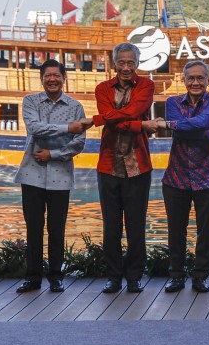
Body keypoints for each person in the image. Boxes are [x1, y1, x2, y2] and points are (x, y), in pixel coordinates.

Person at [14, 59, 87, 294]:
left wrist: (53, 153)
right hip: (31, 174)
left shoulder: (76, 106)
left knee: (57, 228)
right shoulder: (30, 101)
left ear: (64, 78)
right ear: (42, 79)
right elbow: (35, 129)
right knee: (33, 228)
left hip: (61, 176)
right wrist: (68, 128)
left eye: (56, 75)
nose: (52, 79)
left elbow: (79, 142)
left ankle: (56, 276)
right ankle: (32, 277)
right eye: (47, 76)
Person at [88, 43, 156, 294]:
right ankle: (114, 276)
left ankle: (135, 276)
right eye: (122, 62)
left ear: (137, 64)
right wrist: (140, 126)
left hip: (139, 164)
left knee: (137, 224)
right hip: (108, 164)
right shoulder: (102, 88)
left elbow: (134, 111)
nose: (126, 67)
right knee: (111, 224)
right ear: (114, 64)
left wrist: (97, 120)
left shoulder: (147, 85)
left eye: (131, 62)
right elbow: (120, 121)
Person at [159, 60, 209, 294]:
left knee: (205, 231)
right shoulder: (172, 101)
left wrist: (173, 125)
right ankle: (176, 276)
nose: (195, 82)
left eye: (200, 78)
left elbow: (197, 124)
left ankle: (200, 276)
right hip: (176, 176)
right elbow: (187, 130)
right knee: (176, 229)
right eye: (191, 78)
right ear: (184, 80)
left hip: (208, 177)